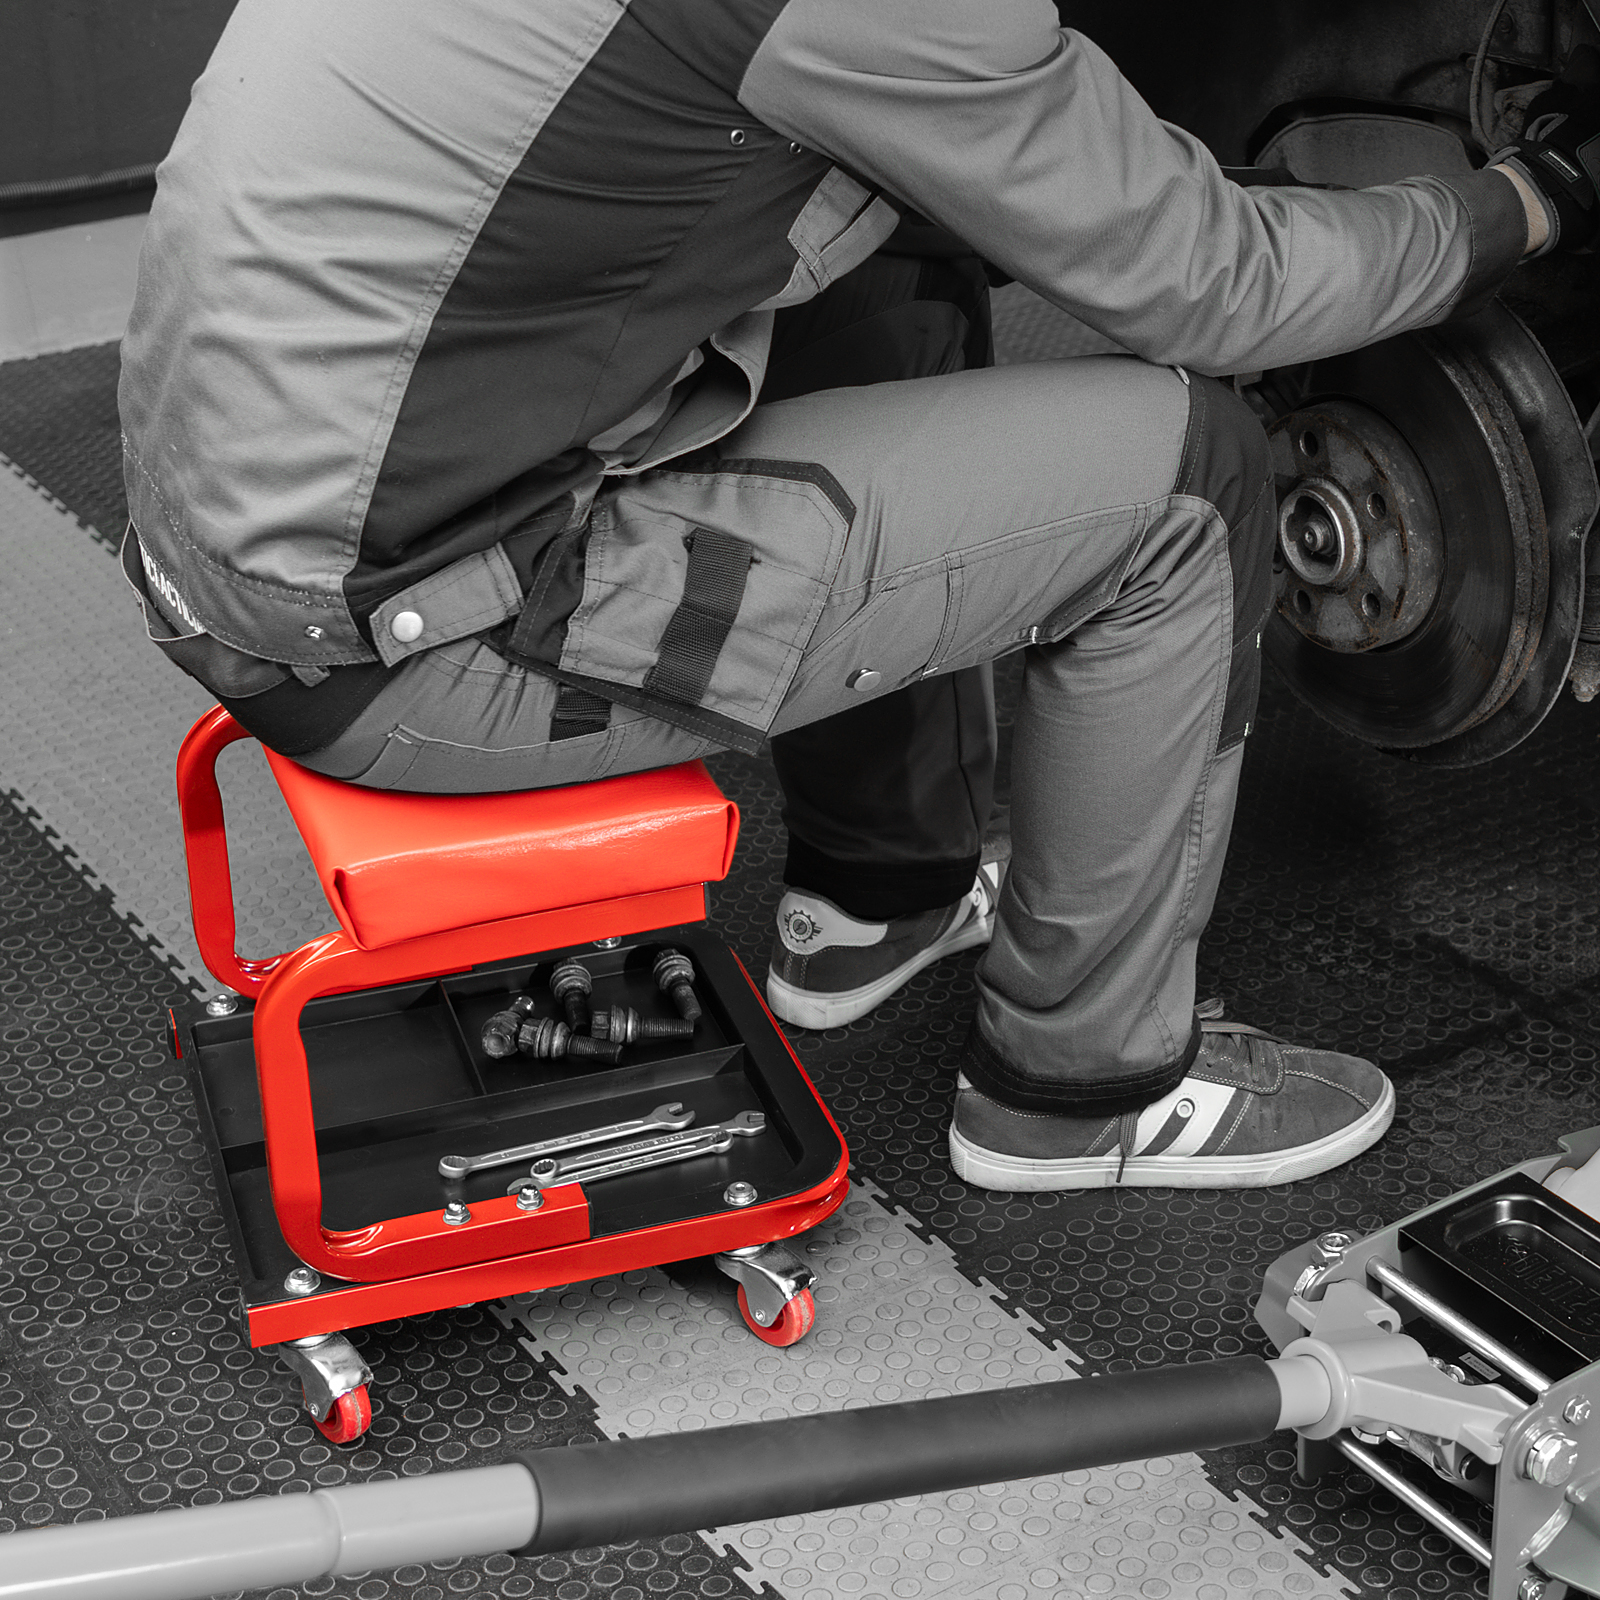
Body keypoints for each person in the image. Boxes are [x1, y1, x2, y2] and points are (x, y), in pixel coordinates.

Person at [119, 0, 1586, 1192]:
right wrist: (1523, 204)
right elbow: (1225, 288)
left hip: (254, 534)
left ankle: (879, 896)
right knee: (1191, 482)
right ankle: (1082, 1093)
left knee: (887, 221)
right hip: (423, 635)